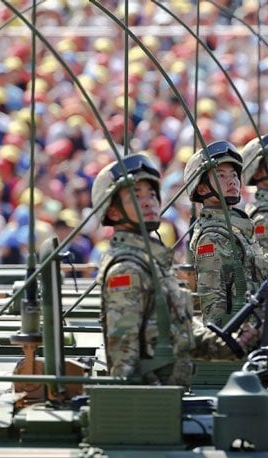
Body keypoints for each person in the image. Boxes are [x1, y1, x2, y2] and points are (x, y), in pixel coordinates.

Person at [93, 153, 256, 386]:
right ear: (113, 212)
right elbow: (124, 364)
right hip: (153, 406)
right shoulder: (126, 271)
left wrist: (231, 345)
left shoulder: (152, 263)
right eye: (135, 197)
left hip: (171, 395)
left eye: (151, 194)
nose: (149, 202)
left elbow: (183, 332)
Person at [184, 141, 268, 327]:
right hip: (243, 333)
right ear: (201, 188)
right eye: (221, 176)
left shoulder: (239, 227)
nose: (232, 181)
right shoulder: (211, 236)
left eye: (234, 175)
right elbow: (214, 309)